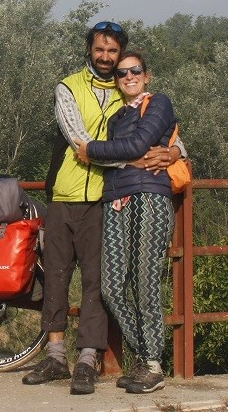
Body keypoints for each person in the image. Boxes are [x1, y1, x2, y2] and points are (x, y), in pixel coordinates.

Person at [22, 21, 178, 396]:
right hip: (65, 192)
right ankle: (55, 356)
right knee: (56, 276)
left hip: (103, 198)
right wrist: (132, 158)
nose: (108, 58)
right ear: (89, 50)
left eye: (114, 52)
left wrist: (174, 152)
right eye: (100, 50)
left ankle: (88, 360)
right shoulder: (68, 86)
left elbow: (165, 134)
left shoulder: (129, 94)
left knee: (97, 283)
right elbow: (79, 140)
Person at [74, 51, 177, 394]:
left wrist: (91, 150)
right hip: (116, 199)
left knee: (146, 283)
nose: (129, 76)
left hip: (150, 196)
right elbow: (127, 151)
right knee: (112, 288)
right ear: (117, 80)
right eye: (122, 73)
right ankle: (144, 357)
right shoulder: (117, 116)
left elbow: (137, 144)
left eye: (135, 71)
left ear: (147, 75)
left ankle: (153, 365)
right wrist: (120, 155)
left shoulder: (159, 103)